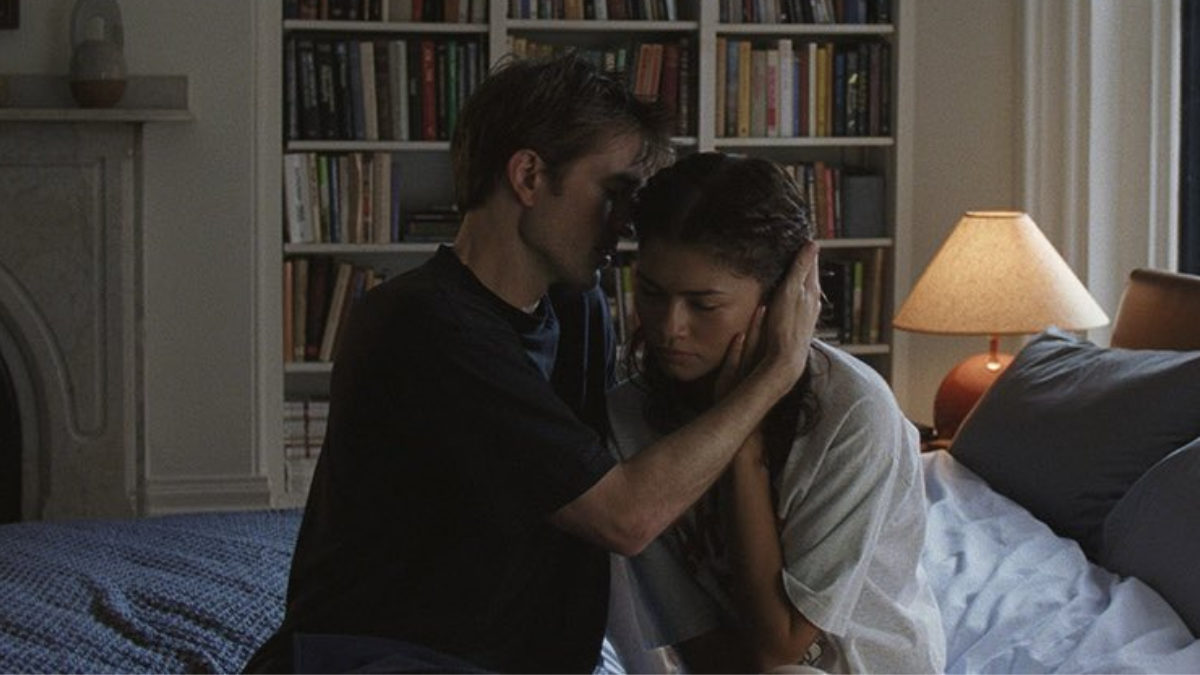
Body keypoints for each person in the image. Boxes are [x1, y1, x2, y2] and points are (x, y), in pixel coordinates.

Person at [244, 54, 823, 674]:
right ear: (528, 176)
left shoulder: (577, 309)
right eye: (613, 193)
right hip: (380, 659)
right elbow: (625, 516)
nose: (627, 223)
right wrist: (774, 373)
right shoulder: (422, 324)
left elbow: (605, 523)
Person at [605, 152, 945, 673]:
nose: (669, 328)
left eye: (704, 304)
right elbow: (692, 641)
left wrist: (744, 441)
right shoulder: (629, 415)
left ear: (785, 295)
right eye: (651, 293)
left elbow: (780, 648)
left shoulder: (853, 412)